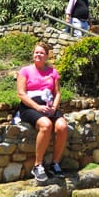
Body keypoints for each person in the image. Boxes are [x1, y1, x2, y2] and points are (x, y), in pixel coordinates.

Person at [16, 42, 68, 183]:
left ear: (46, 56)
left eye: (41, 53)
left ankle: (55, 163)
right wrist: (37, 108)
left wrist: (54, 108)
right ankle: (37, 165)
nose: (38, 55)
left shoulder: (53, 72)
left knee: (62, 126)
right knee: (45, 125)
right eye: (36, 52)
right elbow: (21, 94)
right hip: (30, 107)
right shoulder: (25, 71)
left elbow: (57, 93)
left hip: (49, 106)